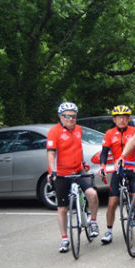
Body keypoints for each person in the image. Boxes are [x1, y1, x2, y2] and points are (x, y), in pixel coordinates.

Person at [47, 102, 99, 253]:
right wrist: (53, 171)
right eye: (67, 116)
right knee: (62, 208)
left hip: (78, 170)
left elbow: (78, 148)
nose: (70, 119)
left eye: (73, 116)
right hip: (62, 173)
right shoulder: (54, 132)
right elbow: (50, 153)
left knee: (92, 194)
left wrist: (83, 163)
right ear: (60, 117)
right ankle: (64, 238)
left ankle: (93, 221)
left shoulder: (78, 129)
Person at [98, 105, 135, 245]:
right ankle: (109, 231)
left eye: (125, 117)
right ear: (114, 119)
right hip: (118, 171)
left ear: (128, 119)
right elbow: (104, 152)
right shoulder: (109, 133)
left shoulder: (134, 131)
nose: (122, 120)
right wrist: (103, 166)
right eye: (119, 117)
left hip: (133, 170)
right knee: (112, 203)